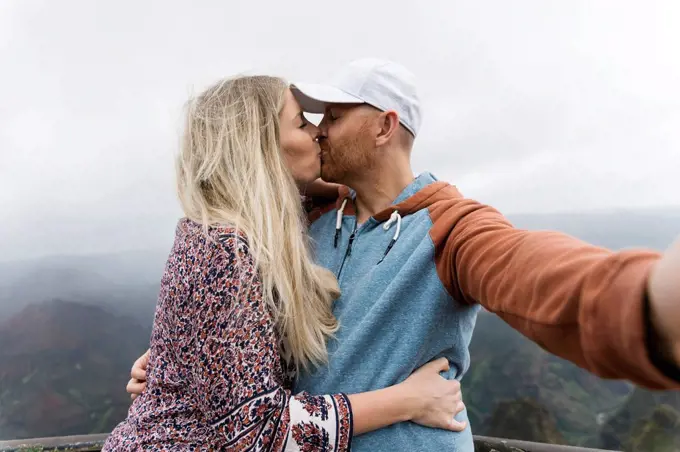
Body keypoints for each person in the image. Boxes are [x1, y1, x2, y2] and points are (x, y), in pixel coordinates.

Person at [128, 59, 680, 451]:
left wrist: (649, 300)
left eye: (333, 117)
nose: (318, 132)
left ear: (384, 127)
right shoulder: (302, 216)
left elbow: (529, 268)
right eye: (308, 120)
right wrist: (181, 366)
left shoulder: (452, 228)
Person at [104, 75, 468, 451]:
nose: (316, 133)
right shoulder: (223, 249)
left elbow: (371, 193)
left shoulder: (246, 228)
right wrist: (408, 400)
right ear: (259, 145)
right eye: (301, 122)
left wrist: (176, 359)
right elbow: (258, 433)